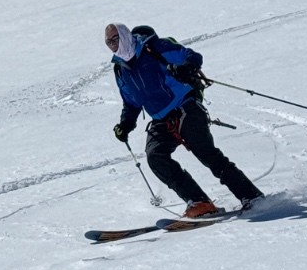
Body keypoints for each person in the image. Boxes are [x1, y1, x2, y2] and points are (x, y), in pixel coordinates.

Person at [104, 22, 262, 217]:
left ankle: (252, 196)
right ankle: (200, 202)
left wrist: (187, 67)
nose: (112, 44)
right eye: (108, 42)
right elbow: (131, 102)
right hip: (161, 119)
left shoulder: (153, 48)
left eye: (115, 38)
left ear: (125, 35)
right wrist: (125, 124)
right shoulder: (120, 69)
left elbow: (192, 56)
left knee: (206, 153)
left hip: (185, 108)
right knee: (155, 157)